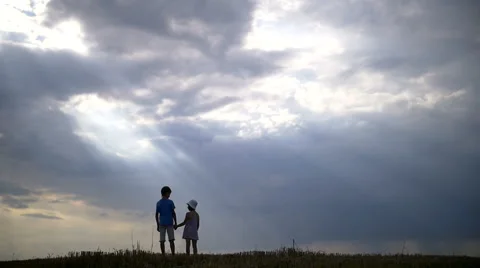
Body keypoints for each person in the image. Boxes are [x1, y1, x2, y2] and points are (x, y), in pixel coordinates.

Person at [155, 186, 177, 255]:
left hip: (161, 223)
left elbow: (156, 215)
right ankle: (173, 254)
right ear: (167, 193)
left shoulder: (158, 203)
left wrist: (157, 225)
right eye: (169, 193)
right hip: (170, 223)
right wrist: (175, 223)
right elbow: (173, 213)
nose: (169, 195)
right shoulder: (170, 202)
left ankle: (163, 255)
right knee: (171, 240)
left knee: (162, 240)